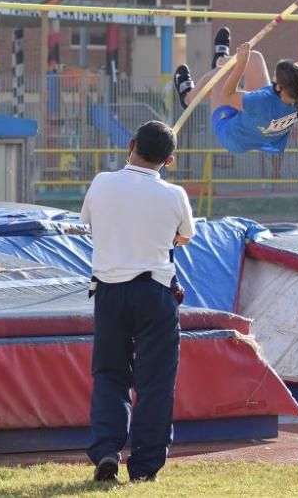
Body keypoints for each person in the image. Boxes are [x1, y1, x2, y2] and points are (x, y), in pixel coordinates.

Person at [80, 120, 195, 483]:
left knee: (110, 374)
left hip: (109, 290)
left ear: (130, 144)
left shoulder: (101, 183)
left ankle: (106, 450)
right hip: (154, 292)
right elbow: (185, 237)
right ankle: (145, 468)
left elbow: (89, 223)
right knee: (155, 382)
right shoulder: (175, 195)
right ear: (170, 161)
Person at [173, 0, 298, 154]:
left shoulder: (261, 102)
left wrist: (240, 64)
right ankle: (221, 59)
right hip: (257, 126)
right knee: (255, 58)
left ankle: (188, 97)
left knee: (221, 75)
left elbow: (227, 96)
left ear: (278, 87)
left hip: (232, 134)